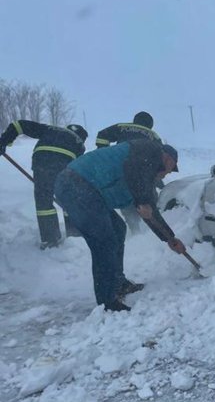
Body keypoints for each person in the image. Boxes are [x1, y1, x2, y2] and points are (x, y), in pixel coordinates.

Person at [53, 139, 185, 311]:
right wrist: (142, 201)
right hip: (76, 183)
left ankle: (118, 283)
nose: (167, 174)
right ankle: (107, 301)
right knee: (104, 241)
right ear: (168, 158)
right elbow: (134, 171)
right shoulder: (149, 150)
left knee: (118, 229)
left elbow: (150, 211)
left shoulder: (143, 175)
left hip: (87, 190)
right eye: (170, 169)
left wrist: (169, 238)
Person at [0, 120, 87, 248]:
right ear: (82, 137)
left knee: (44, 202)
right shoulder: (80, 144)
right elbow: (78, 168)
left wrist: (4, 141)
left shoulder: (51, 129)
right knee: (69, 199)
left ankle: (50, 240)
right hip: (64, 165)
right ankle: (74, 236)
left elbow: (19, 125)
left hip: (41, 163)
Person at [95, 111, 162, 234]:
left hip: (122, 169)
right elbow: (159, 160)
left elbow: (102, 135)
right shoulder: (154, 136)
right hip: (142, 173)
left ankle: (135, 229)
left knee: (126, 196)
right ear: (150, 125)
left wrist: (104, 153)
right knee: (148, 197)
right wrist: (158, 181)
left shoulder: (123, 127)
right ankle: (151, 228)